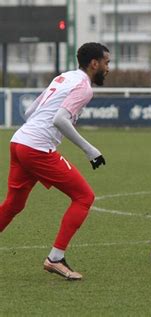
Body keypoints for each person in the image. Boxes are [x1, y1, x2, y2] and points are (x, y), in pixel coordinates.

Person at [0, 43, 110, 280]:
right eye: (106, 62)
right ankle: (55, 258)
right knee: (84, 197)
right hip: (36, 149)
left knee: (13, 204)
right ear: (94, 63)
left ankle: (56, 258)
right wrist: (90, 150)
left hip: (18, 143)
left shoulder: (64, 77)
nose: (107, 68)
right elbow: (60, 120)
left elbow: (30, 112)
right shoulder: (83, 87)